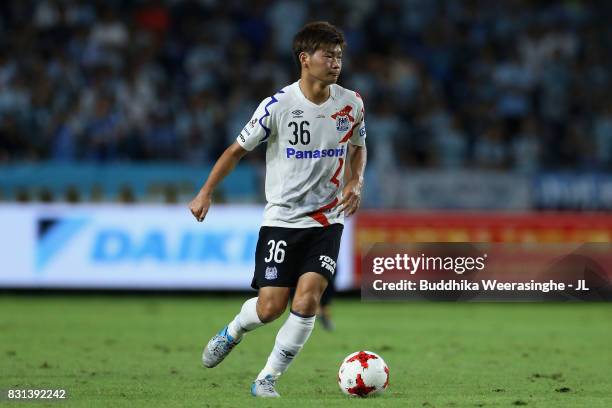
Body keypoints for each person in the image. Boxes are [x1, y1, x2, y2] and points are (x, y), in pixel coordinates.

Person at [189, 21, 367, 398]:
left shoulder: (351, 104)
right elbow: (237, 150)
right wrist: (205, 191)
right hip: (282, 220)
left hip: (327, 219)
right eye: (327, 55)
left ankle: (266, 378)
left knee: (307, 301)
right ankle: (233, 331)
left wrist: (356, 180)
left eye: (339, 55)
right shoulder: (278, 105)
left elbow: (358, 145)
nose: (336, 62)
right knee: (270, 308)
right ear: (305, 59)